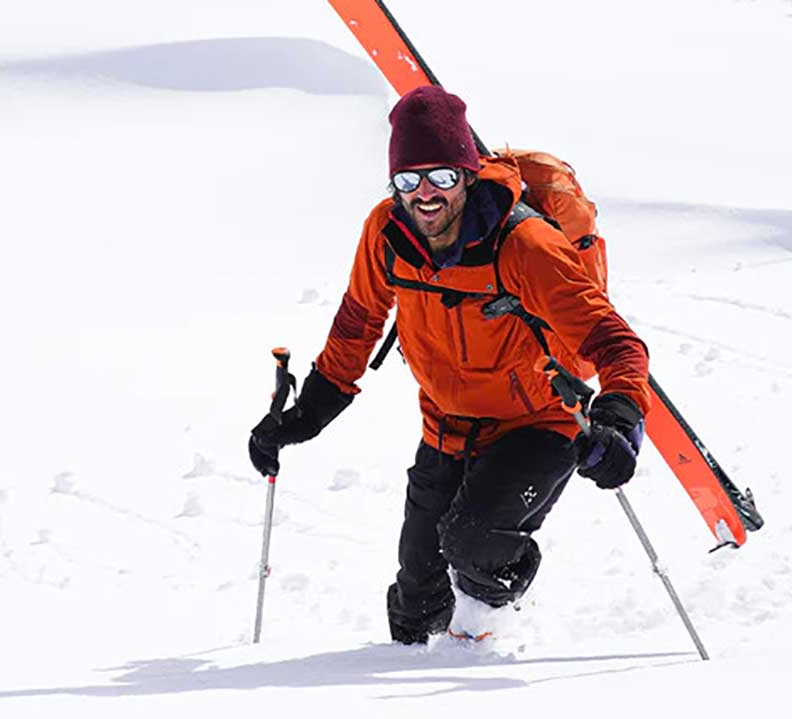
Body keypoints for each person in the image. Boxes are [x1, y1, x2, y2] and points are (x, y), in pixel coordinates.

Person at [248, 85, 650, 644]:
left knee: (472, 542)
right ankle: (421, 663)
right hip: (446, 425)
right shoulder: (387, 232)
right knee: (415, 612)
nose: (425, 194)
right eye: (408, 180)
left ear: (467, 174)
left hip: (540, 422)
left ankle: (488, 629)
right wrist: (305, 416)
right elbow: (358, 322)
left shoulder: (525, 246)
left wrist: (620, 418)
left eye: (440, 176)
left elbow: (615, 341)